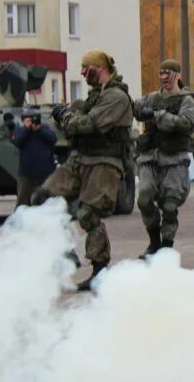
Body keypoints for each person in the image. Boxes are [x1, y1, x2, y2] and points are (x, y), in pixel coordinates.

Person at [33, 49, 134, 292]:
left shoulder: (116, 97)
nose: (81, 72)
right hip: (81, 158)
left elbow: (90, 124)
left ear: (98, 69)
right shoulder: (95, 96)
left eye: (84, 68)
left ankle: (100, 271)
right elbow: (78, 123)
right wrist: (69, 116)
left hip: (104, 160)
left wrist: (67, 116)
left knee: (88, 214)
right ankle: (65, 252)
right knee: (44, 198)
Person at [133, 59, 194, 258]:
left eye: (168, 74)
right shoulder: (152, 98)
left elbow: (187, 123)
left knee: (170, 205)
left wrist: (159, 116)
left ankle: (167, 245)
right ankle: (154, 241)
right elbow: (137, 108)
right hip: (150, 158)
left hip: (174, 159)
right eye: (161, 74)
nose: (164, 79)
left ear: (177, 75)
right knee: (143, 199)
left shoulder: (186, 101)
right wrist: (137, 109)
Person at [11, 111, 57, 208]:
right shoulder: (20, 130)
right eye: (28, 120)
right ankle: (20, 220)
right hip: (26, 173)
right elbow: (17, 141)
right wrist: (27, 129)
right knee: (22, 200)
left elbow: (53, 139)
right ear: (23, 121)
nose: (32, 122)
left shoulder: (45, 129)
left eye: (33, 119)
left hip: (45, 172)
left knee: (46, 200)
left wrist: (39, 130)